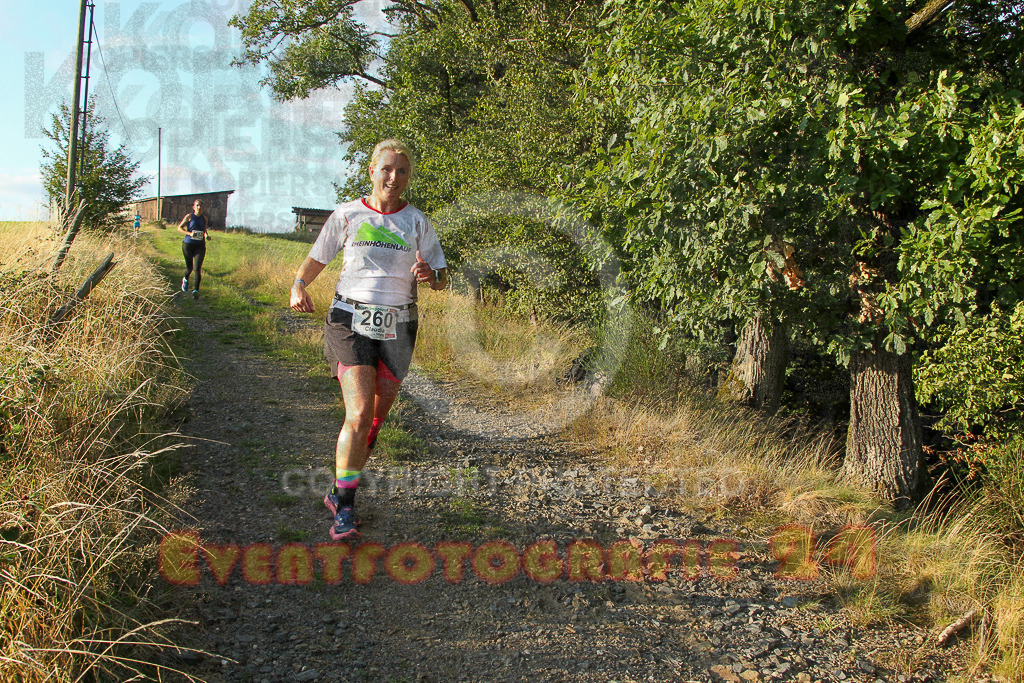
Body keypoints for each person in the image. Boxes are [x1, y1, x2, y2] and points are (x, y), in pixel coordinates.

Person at [290, 139, 447, 541]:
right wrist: (299, 284)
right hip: (349, 319)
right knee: (358, 414)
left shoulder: (417, 222)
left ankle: (339, 486)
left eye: (402, 171)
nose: (394, 178)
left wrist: (432, 277)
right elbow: (318, 256)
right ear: (372, 171)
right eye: (387, 169)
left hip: (400, 325)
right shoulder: (347, 214)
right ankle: (344, 508)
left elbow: (442, 278)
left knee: (375, 418)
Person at [177, 199, 212, 299]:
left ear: (203, 208)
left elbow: (204, 230)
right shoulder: (189, 217)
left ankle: (196, 290)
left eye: (201, 206)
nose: (199, 207)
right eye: (197, 205)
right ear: (194, 207)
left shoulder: (204, 218)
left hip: (200, 246)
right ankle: (186, 279)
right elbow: (179, 228)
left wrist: (206, 236)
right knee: (190, 268)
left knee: (197, 268)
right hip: (188, 244)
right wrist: (190, 233)